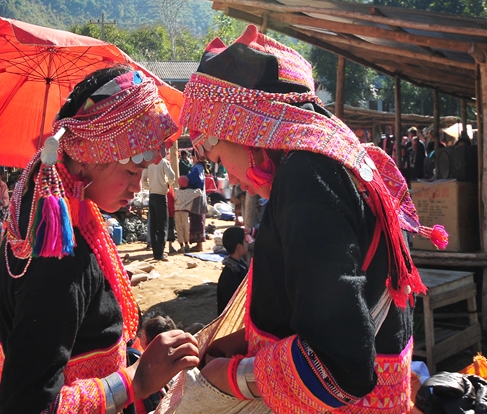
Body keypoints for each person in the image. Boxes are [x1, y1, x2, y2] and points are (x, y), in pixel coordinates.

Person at [178, 25, 436, 414]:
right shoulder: (337, 160)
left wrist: (225, 375)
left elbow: (338, 367)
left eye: (216, 158)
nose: (229, 178)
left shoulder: (308, 176)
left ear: (245, 130)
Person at [0, 66, 199, 414]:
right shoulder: (59, 254)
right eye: (132, 172)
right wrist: (136, 379)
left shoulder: (41, 211)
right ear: (92, 155)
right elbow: (27, 406)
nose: (137, 188)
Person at [142, 156, 175, 261]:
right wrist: (167, 184)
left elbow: (143, 180)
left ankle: (155, 251)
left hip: (152, 195)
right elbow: (172, 176)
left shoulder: (149, 163)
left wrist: (149, 187)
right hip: (161, 195)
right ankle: (159, 253)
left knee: (154, 225)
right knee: (162, 226)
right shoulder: (163, 162)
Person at [217, 227, 249, 315]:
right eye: (245, 242)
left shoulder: (240, 266)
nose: (247, 244)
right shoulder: (231, 274)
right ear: (239, 247)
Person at [173, 176, 201, 253]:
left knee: (179, 229)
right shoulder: (190, 192)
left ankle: (181, 246)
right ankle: (187, 245)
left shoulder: (176, 192)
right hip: (185, 212)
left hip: (177, 212)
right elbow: (199, 191)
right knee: (186, 228)